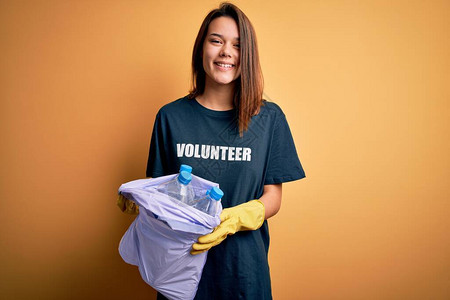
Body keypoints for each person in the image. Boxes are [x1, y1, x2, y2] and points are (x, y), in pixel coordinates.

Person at [122, 2, 305, 299]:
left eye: (237, 45)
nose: (226, 52)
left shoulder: (269, 119)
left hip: (245, 276)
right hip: (180, 277)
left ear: (248, 56)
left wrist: (236, 218)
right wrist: (139, 196)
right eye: (216, 41)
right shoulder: (170, 118)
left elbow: (273, 196)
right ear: (201, 48)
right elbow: (161, 193)